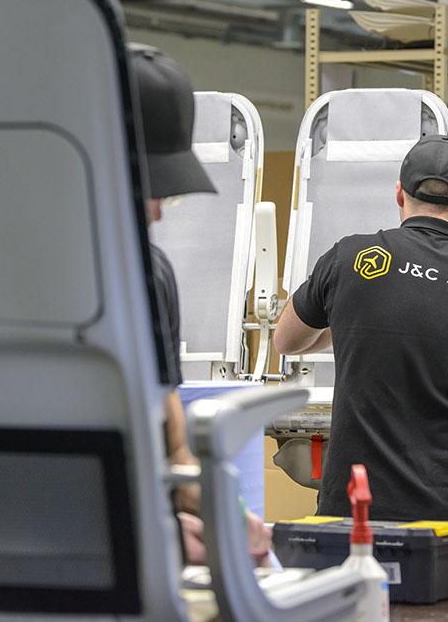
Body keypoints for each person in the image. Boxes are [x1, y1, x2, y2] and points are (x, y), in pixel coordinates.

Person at [274, 135, 448, 565]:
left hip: (356, 518)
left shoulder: (349, 258)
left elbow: (286, 341)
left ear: (399, 192)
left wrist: (346, 320)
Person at [130, 44, 272, 566]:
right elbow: (174, 451)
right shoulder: (141, 271)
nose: (160, 210)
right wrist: (233, 523)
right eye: (155, 188)